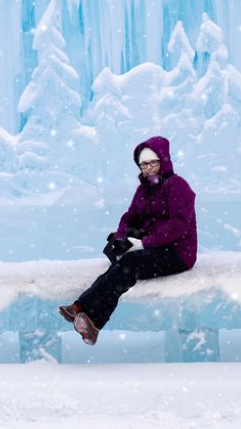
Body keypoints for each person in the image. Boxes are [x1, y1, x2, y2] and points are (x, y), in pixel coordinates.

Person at [59, 136, 197, 345]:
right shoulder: (144, 189)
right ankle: (80, 309)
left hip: (178, 253)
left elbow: (178, 226)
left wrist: (144, 243)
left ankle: (93, 319)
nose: (149, 168)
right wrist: (122, 237)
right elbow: (130, 216)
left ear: (164, 161)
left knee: (129, 265)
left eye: (153, 162)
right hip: (153, 248)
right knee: (120, 265)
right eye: (144, 164)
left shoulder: (178, 186)